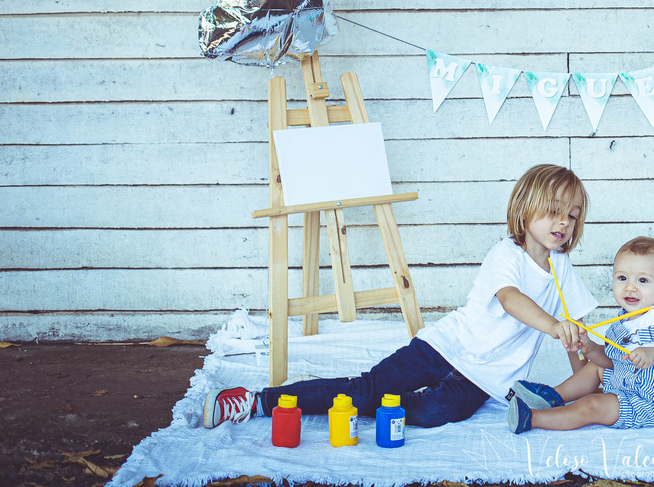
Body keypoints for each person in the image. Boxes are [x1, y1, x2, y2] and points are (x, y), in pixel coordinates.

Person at [202, 163, 597, 429]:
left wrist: (593, 366)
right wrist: (552, 326)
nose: (564, 222)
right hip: (443, 347)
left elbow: (576, 329)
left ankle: (327, 393)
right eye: (553, 211)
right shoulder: (506, 254)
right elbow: (512, 299)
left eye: (573, 214)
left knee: (433, 412)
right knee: (365, 392)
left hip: (486, 378)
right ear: (525, 212)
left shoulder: (561, 267)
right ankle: (260, 401)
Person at [507, 235, 654, 433]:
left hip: (648, 402)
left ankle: (532, 418)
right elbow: (611, 361)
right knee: (595, 366)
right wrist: (590, 347)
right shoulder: (625, 318)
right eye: (622, 278)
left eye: (642, 280)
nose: (630, 287)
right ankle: (553, 396)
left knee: (593, 405)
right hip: (626, 383)